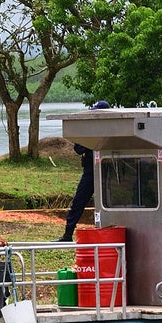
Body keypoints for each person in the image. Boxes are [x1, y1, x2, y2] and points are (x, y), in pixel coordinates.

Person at [58, 100, 110, 242]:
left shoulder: (112, 129)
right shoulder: (88, 129)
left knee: (110, 202)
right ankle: (68, 233)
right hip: (90, 170)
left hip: (107, 170)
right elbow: (78, 148)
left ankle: (109, 234)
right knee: (79, 201)